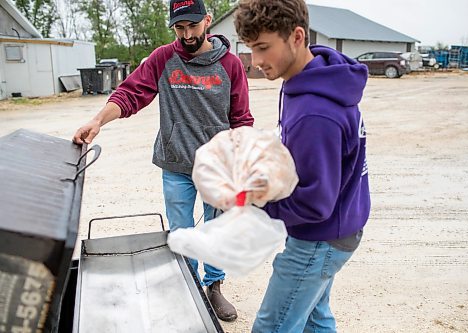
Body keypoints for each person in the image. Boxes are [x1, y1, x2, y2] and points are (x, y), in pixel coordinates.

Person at [73, 0, 254, 322]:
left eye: (192, 26)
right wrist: (98, 120)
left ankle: (214, 286)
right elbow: (130, 94)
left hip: (218, 168)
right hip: (175, 165)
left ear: (207, 21)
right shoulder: (163, 58)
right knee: (182, 232)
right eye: (179, 28)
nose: (186, 34)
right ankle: (191, 287)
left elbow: (241, 118)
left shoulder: (230, 64)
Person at [234, 0, 370, 332]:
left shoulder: (316, 112)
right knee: (314, 318)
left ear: (296, 36)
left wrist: (255, 208)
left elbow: (315, 202)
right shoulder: (312, 77)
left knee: (272, 327)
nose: (256, 62)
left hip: (319, 238)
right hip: (338, 228)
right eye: (251, 49)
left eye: (263, 48)